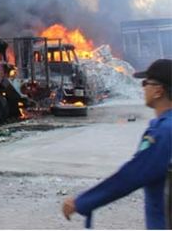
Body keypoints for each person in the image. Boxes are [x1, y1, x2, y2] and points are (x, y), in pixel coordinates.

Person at [62, 58, 172, 229]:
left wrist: (83, 202)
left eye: (146, 83)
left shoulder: (163, 132)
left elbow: (132, 175)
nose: (143, 88)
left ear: (158, 91)